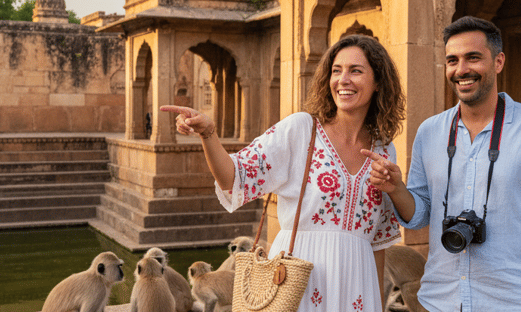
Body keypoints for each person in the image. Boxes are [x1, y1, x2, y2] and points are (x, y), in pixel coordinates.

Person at [161, 34, 406, 311]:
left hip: (357, 285)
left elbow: (377, 241)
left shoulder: (384, 149)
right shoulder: (301, 130)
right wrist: (208, 133)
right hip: (298, 278)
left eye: (356, 71)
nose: (343, 79)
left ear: (378, 83)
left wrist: (375, 301)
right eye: (336, 71)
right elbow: (233, 177)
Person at [369, 16, 521, 312]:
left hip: (511, 303)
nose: (461, 70)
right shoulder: (430, 132)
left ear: (498, 62)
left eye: (473, 58)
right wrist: (396, 189)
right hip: (439, 301)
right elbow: (419, 216)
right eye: (452, 60)